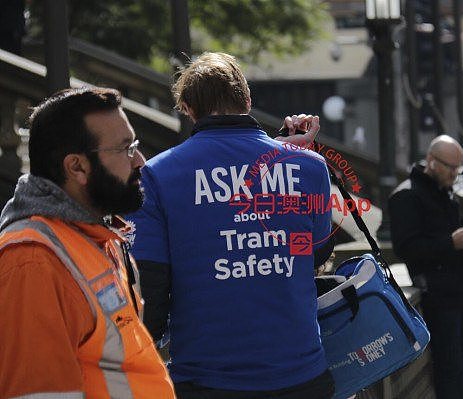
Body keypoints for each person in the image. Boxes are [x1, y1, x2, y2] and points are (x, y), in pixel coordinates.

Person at [126, 52, 335, 399]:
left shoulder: (155, 176)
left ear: (189, 109)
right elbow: (310, 253)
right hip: (300, 372)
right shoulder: (310, 167)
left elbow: (150, 284)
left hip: (207, 375)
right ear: (248, 100)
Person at [0, 87, 175, 398]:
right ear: (77, 167)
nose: (140, 161)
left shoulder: (98, 236)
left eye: (134, 145)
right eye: (124, 149)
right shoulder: (32, 261)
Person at [389, 135, 463, 399]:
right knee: (449, 370)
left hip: (462, 292)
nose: (455, 173)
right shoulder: (407, 195)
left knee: (462, 364)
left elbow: (456, 235)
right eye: (450, 167)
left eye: (458, 168)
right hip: (437, 296)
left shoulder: (445, 191)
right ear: (431, 161)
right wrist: (450, 243)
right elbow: (406, 248)